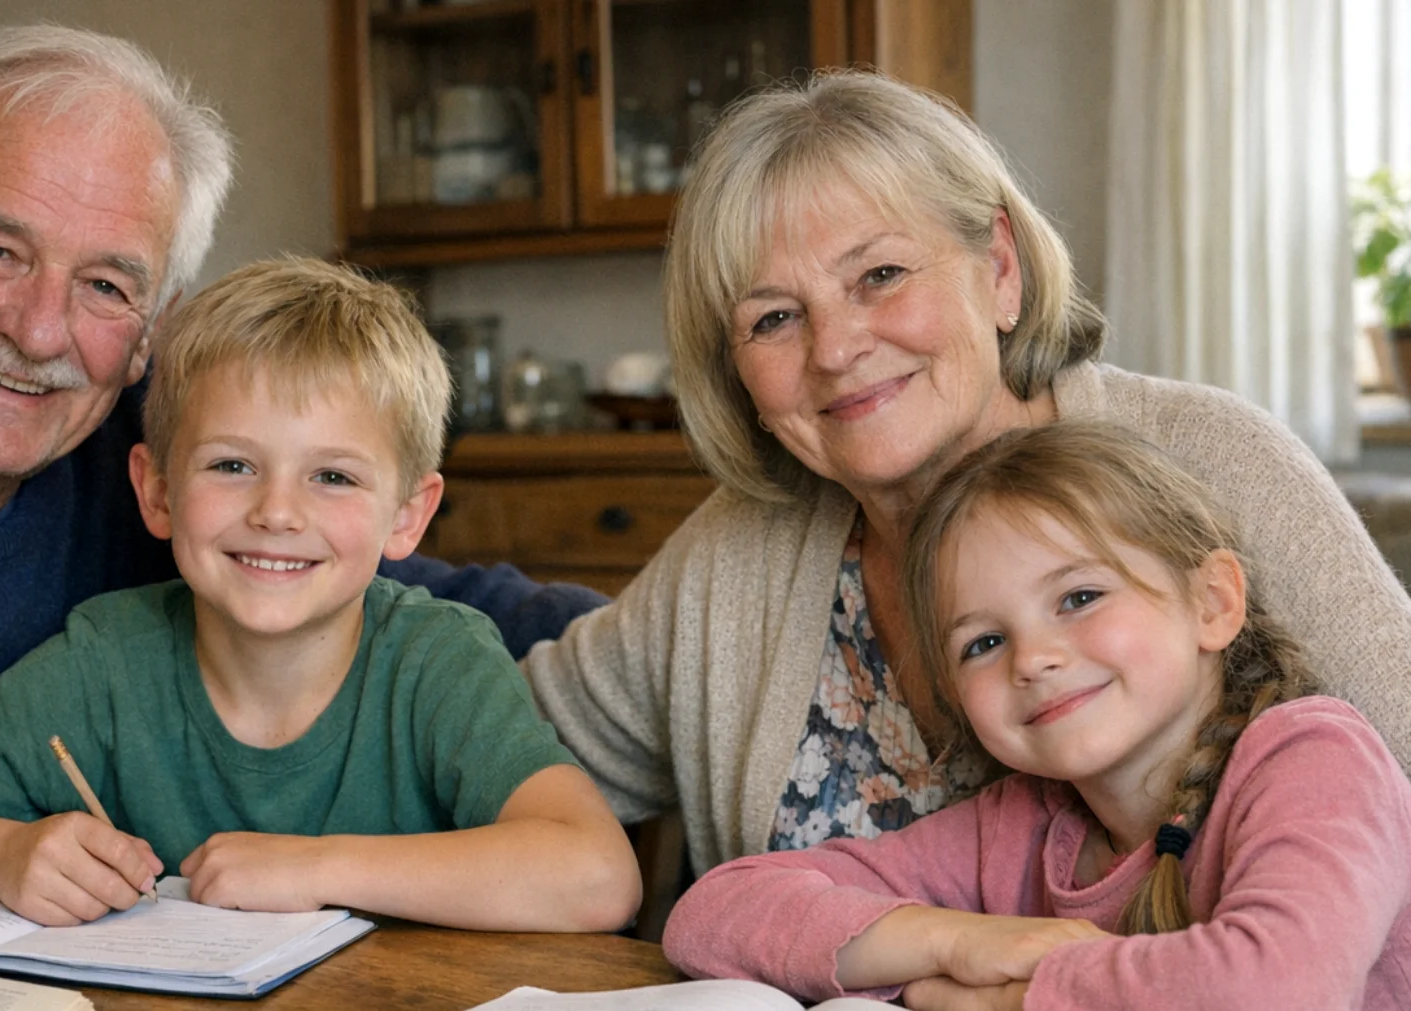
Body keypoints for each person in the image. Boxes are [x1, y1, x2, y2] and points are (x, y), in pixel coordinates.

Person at [0, 25, 602, 916]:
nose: (41, 331)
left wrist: (667, 634)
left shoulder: (159, 435)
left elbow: (370, 584)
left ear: (150, 331)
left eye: (105, 284)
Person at [521, 69, 1411, 878]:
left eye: (879, 274)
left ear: (1000, 270)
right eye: (775, 319)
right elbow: (505, 735)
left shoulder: (1213, 460)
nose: (835, 348)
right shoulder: (738, 551)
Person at [0, 257, 642, 933]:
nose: (277, 511)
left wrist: (316, 868)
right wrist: (1, 856)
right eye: (232, 465)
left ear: (408, 515)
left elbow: (599, 876)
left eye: (333, 476)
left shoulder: (437, 662)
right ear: (157, 490)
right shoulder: (107, 660)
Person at [662, 421, 1411, 1009]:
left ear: (1212, 602)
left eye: (1079, 597)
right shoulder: (1019, 826)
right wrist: (958, 945)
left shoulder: (1313, 758)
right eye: (983, 642)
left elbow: (1278, 988)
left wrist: (1016, 996)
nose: (1033, 658)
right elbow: (713, 914)